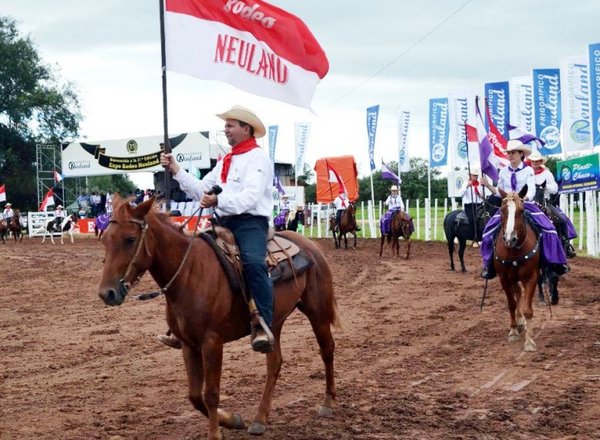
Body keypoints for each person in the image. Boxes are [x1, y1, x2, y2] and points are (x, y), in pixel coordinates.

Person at [159, 104, 274, 353]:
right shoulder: (226, 161)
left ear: (246, 129)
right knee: (193, 258)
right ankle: (185, 325)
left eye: (230, 126)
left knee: (254, 263)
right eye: (226, 126)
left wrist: (218, 200)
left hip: (250, 223)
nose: (226, 130)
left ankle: (263, 323)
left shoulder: (258, 158)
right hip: (222, 222)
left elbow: (251, 197)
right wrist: (176, 169)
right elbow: (202, 188)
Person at [480, 140, 570, 279]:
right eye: (509, 153)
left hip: (525, 203)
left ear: (521, 154)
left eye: (513, 153)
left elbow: (532, 190)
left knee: (550, 228)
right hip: (508, 206)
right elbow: (499, 191)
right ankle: (489, 265)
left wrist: (522, 199)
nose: (510, 155)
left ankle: (555, 262)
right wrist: (488, 186)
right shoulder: (503, 171)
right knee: (487, 231)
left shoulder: (528, 170)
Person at [529, 151, 577, 258]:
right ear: (530, 161)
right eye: (533, 161)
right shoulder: (526, 173)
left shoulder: (547, 174)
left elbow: (555, 189)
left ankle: (565, 244)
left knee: (561, 220)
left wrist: (545, 187)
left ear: (540, 161)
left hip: (544, 202)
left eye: (537, 161)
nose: (535, 163)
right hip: (528, 203)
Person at [458, 168, 494, 245]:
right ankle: (474, 238)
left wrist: (480, 195)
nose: (476, 177)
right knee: (472, 219)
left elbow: (483, 197)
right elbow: (460, 194)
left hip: (479, 205)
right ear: (470, 176)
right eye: (474, 175)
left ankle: (484, 236)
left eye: (476, 176)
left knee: (485, 218)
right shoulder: (465, 184)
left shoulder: (479, 185)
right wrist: (467, 186)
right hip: (469, 206)